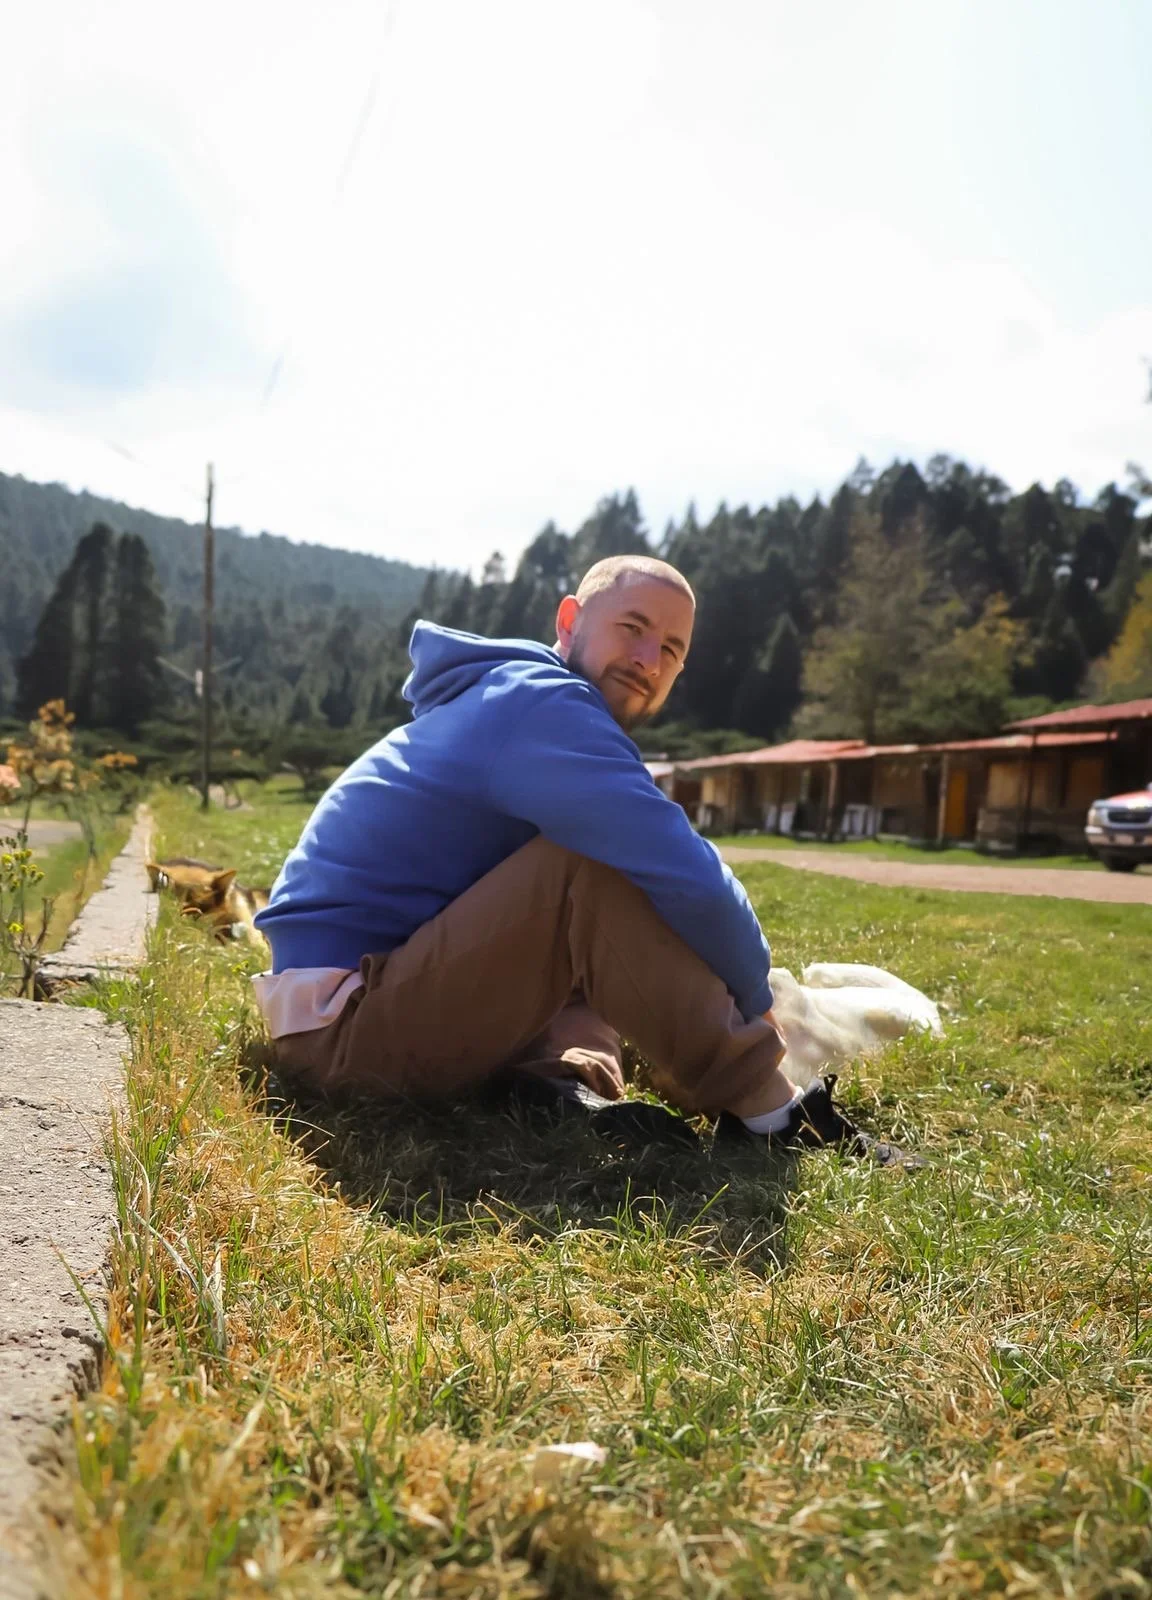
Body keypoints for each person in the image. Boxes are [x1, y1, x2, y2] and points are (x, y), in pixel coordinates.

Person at [253, 554, 900, 1159]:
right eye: (633, 628)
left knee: (600, 870)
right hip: (344, 1029)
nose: (649, 658)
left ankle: (559, 1083)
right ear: (570, 621)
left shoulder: (523, 697)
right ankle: (772, 1114)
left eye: (671, 649)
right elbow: (692, 877)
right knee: (590, 869)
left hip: (367, 997)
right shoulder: (542, 705)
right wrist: (755, 996)